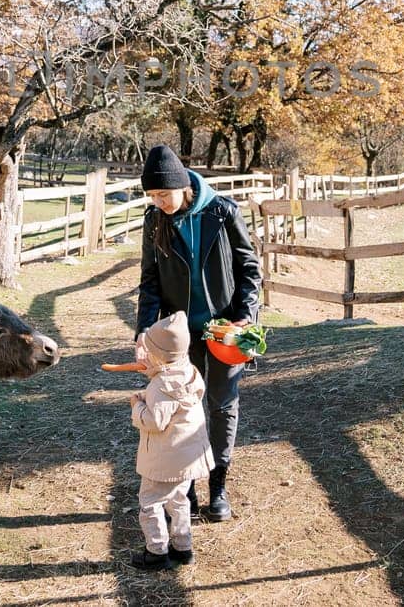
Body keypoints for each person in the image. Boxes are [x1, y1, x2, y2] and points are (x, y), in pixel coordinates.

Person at [134, 143, 261, 522]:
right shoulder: (153, 220)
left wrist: (246, 316)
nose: (160, 202)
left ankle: (218, 486)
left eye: (164, 194)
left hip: (225, 332)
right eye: (153, 195)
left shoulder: (222, 213)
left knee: (222, 405)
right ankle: (185, 486)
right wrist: (143, 331)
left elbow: (249, 269)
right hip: (178, 338)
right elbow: (150, 281)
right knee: (179, 410)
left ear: (183, 186)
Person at [129, 311, 214, 570]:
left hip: (164, 459)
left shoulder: (160, 386)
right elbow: (174, 401)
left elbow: (156, 421)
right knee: (179, 500)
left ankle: (156, 551)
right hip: (186, 457)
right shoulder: (188, 372)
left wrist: (137, 407)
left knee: (151, 502)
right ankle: (183, 547)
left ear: (157, 354)